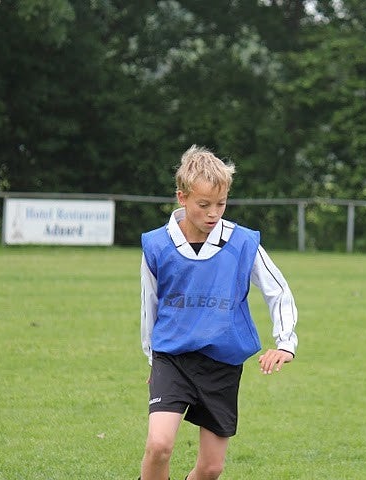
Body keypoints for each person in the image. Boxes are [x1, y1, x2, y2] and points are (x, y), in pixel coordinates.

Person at [138, 145, 299, 480]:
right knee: (159, 445)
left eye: (221, 204)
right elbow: (149, 304)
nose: (213, 213)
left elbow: (278, 291)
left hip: (222, 363)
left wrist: (285, 343)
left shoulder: (243, 242)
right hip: (173, 357)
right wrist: (153, 359)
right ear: (182, 198)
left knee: (211, 468)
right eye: (204, 205)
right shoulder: (157, 245)